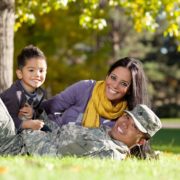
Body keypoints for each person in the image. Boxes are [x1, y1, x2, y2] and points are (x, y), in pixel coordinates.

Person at [0, 98, 162, 160]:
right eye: (127, 117)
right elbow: (59, 135)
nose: (125, 124)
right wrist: (38, 115)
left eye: (135, 126)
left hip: (16, 148)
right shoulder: (102, 132)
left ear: (140, 141)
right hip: (22, 137)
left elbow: (54, 159)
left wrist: (30, 130)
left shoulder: (109, 153)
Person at [41, 57, 150, 128]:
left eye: (124, 84)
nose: (115, 85)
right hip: (51, 134)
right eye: (113, 77)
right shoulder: (85, 88)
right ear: (107, 76)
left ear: (130, 90)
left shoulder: (127, 117)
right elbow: (50, 106)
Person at [0, 45, 49, 132]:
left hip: (25, 130)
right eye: (31, 70)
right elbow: (6, 122)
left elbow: (39, 112)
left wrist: (32, 112)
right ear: (20, 73)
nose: (37, 74)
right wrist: (27, 124)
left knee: (48, 129)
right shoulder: (14, 95)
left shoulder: (40, 93)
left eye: (41, 70)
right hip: (7, 136)